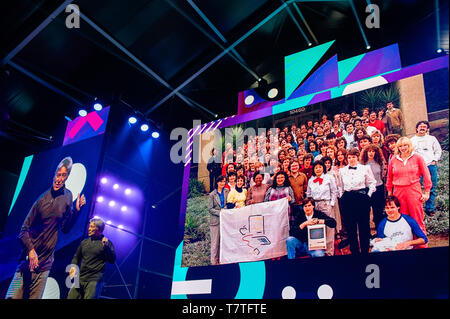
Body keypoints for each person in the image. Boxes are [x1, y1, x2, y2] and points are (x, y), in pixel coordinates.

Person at [6, 157, 86, 299]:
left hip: (45, 265)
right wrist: (31, 250)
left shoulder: (68, 197)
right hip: (26, 263)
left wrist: (77, 212)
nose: (59, 179)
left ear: (67, 177)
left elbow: (65, 227)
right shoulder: (41, 200)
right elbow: (23, 230)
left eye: (63, 176)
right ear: (54, 174)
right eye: (58, 175)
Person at [386, 137, 432, 245]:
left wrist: (427, 192)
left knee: (417, 218)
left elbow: (426, 175)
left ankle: (421, 245)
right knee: (402, 219)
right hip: (398, 192)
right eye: (400, 146)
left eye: (405, 145)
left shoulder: (417, 158)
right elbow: (389, 178)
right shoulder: (393, 159)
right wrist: (389, 193)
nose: (403, 148)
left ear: (409, 145)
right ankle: (406, 245)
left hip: (413, 190)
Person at [338, 148, 377, 254]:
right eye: (349, 157)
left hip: (361, 198)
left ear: (357, 157)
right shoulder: (342, 170)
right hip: (348, 199)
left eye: (353, 157)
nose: (351, 159)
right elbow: (340, 186)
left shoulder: (365, 168)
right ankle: (354, 251)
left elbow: (372, 183)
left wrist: (368, 195)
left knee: (364, 226)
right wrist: (342, 197)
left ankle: (365, 251)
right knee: (351, 227)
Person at [67, 218, 116, 299]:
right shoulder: (84, 242)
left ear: (99, 230)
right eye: (89, 226)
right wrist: (73, 268)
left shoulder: (106, 243)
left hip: (94, 280)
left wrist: (106, 247)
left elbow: (112, 260)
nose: (89, 229)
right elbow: (76, 257)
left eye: (92, 227)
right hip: (80, 278)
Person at [410, 120, 442, 217]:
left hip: (430, 166)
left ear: (427, 129)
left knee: (431, 187)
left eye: (424, 126)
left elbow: (438, 150)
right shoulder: (412, 140)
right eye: (420, 126)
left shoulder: (432, 139)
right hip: (417, 167)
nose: (422, 128)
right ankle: (419, 208)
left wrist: (434, 160)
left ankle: (430, 208)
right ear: (417, 128)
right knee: (417, 187)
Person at [306, 161, 338, 256]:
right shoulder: (311, 180)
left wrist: (331, 204)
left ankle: (329, 251)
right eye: (316, 167)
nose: (318, 169)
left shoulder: (329, 177)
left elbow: (334, 191)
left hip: (325, 204)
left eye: (320, 167)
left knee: (328, 227)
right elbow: (308, 193)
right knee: (316, 226)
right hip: (315, 205)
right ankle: (318, 249)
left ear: (323, 168)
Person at [360, 144, 387, 234]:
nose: (371, 153)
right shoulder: (362, 163)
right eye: (369, 151)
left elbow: (382, 175)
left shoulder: (379, 162)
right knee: (365, 211)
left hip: (378, 188)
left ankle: (379, 231)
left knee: (378, 211)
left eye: (373, 151)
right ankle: (366, 233)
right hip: (367, 189)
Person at [208, 175, 229, 265]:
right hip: (215, 221)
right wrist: (220, 212)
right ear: (217, 182)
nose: (222, 183)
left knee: (223, 242)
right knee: (215, 243)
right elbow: (210, 209)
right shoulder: (212, 194)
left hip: (225, 221)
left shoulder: (226, 191)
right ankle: (213, 262)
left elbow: (228, 203)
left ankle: (221, 261)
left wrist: (225, 210)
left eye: (224, 181)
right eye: (221, 181)